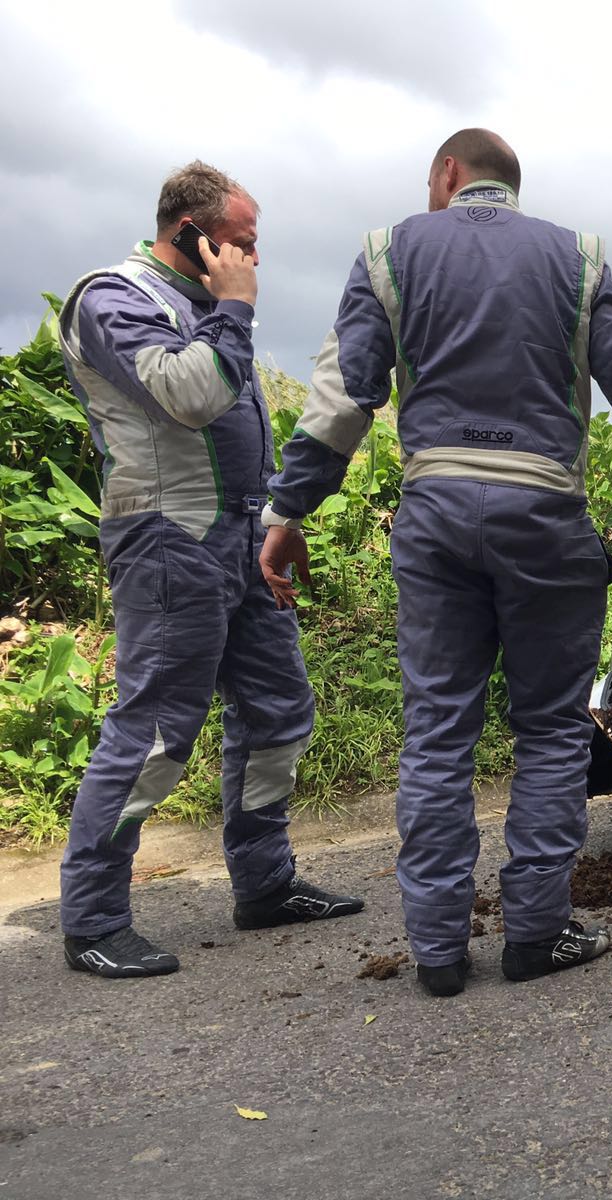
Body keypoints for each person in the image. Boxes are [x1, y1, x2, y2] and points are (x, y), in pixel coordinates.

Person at [261, 129, 612, 997]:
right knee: (552, 733)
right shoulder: (578, 258)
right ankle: (536, 935)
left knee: (439, 735)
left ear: (447, 176)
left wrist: (287, 509)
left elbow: (342, 399)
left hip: (437, 517)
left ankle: (438, 952)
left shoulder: (389, 252)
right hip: (544, 521)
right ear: (509, 186)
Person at [55, 161, 364, 979]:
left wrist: (275, 523)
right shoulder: (113, 298)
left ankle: (264, 885)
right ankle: (91, 919)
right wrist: (234, 308)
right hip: (167, 540)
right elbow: (189, 394)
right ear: (191, 232)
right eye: (243, 243)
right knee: (155, 731)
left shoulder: (203, 309)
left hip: (239, 537)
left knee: (278, 711)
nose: (253, 261)